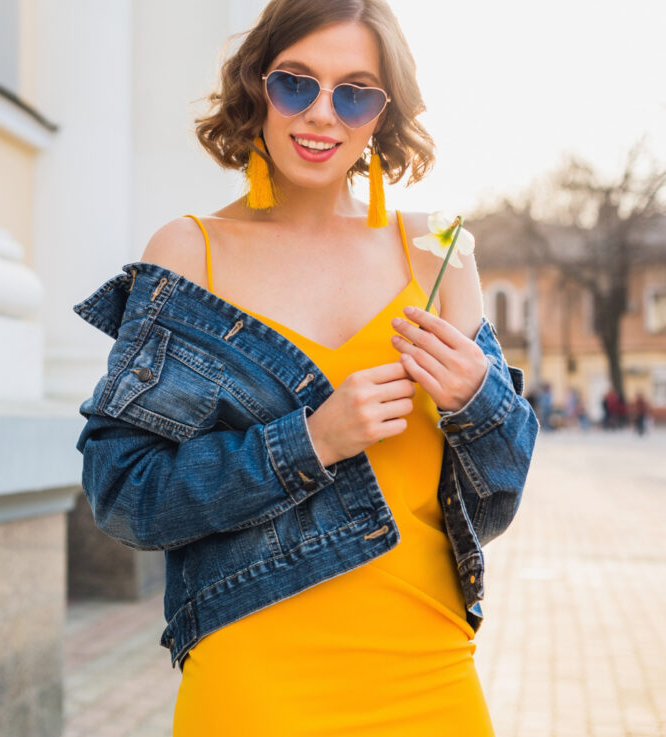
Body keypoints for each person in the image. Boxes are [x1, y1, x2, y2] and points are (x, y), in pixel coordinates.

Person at [72, 1, 539, 734]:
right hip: (254, 674)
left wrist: (478, 401)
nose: (322, 114)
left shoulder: (438, 250)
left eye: (354, 92)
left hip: (428, 668)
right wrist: (311, 441)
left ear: (382, 116)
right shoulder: (190, 253)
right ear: (258, 83)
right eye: (297, 83)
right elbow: (124, 493)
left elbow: (493, 505)